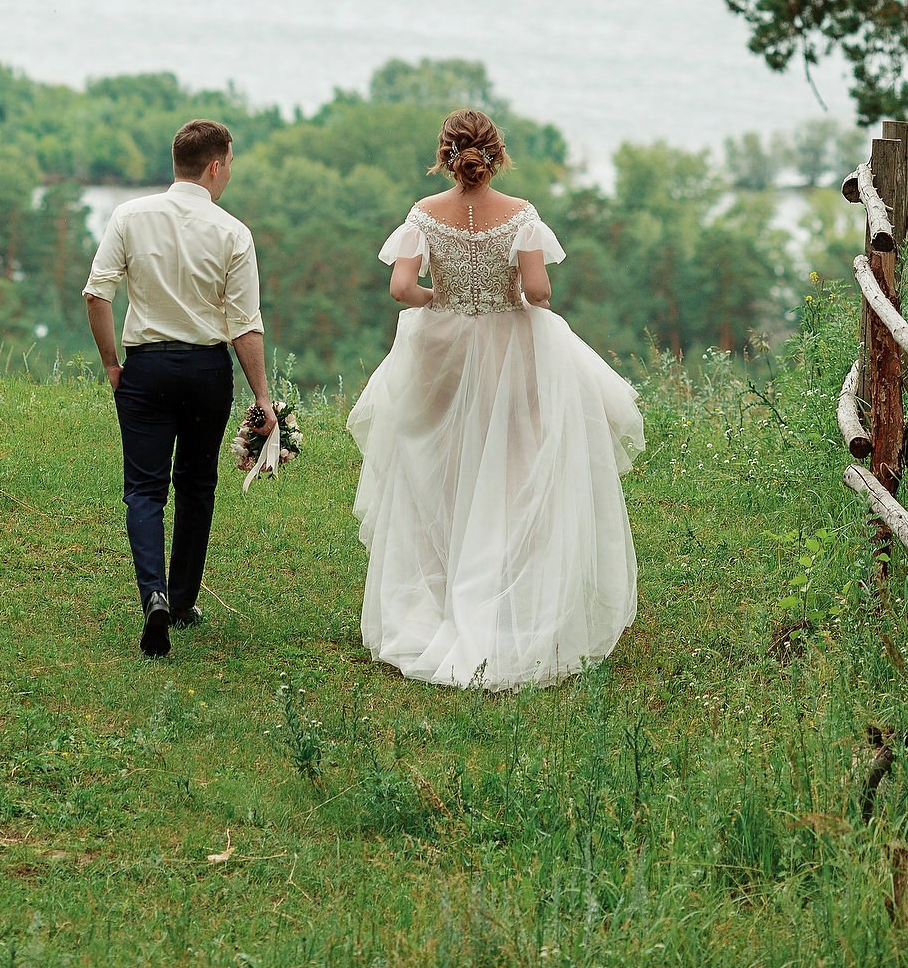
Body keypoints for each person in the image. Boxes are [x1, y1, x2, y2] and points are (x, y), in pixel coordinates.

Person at [349, 109, 645, 688]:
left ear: (446, 156)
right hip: (510, 347)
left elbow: (400, 288)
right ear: (496, 155)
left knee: (440, 470)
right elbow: (537, 291)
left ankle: (435, 600)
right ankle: (507, 597)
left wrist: (445, 297)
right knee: (514, 467)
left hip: (442, 349)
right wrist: (508, 292)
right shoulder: (522, 218)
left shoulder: (423, 216)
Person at [83, 119, 278, 658]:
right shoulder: (234, 233)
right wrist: (262, 397)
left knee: (144, 489)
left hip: (145, 368)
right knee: (196, 484)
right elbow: (245, 324)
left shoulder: (128, 216)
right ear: (215, 166)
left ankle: (155, 596)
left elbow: (97, 295)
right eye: (230, 163)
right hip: (205, 372)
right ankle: (186, 599)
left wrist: (112, 365)